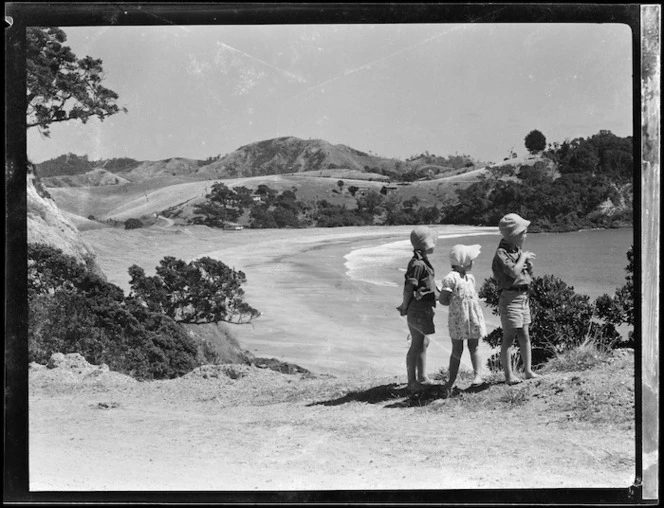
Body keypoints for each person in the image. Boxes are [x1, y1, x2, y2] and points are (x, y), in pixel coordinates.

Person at [491, 213, 540, 384]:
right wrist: (524, 258)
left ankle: (528, 370)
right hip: (510, 298)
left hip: (522, 296)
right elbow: (513, 272)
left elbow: (525, 274)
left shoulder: (516, 251)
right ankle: (509, 375)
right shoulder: (502, 253)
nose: (525, 236)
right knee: (509, 336)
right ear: (514, 235)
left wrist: (528, 266)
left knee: (525, 333)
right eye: (523, 232)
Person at [438, 244, 487, 393]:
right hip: (458, 319)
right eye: (470, 259)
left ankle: (478, 376)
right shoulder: (450, 278)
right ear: (462, 262)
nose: (473, 262)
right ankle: (451, 380)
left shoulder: (470, 278)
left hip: (471, 317)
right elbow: (443, 299)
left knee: (474, 346)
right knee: (457, 349)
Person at [397, 226, 438, 393]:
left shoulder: (421, 262)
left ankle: (421, 376)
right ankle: (412, 381)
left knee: (424, 341)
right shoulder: (418, 264)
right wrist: (405, 305)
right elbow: (409, 287)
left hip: (424, 308)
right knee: (417, 343)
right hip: (418, 309)